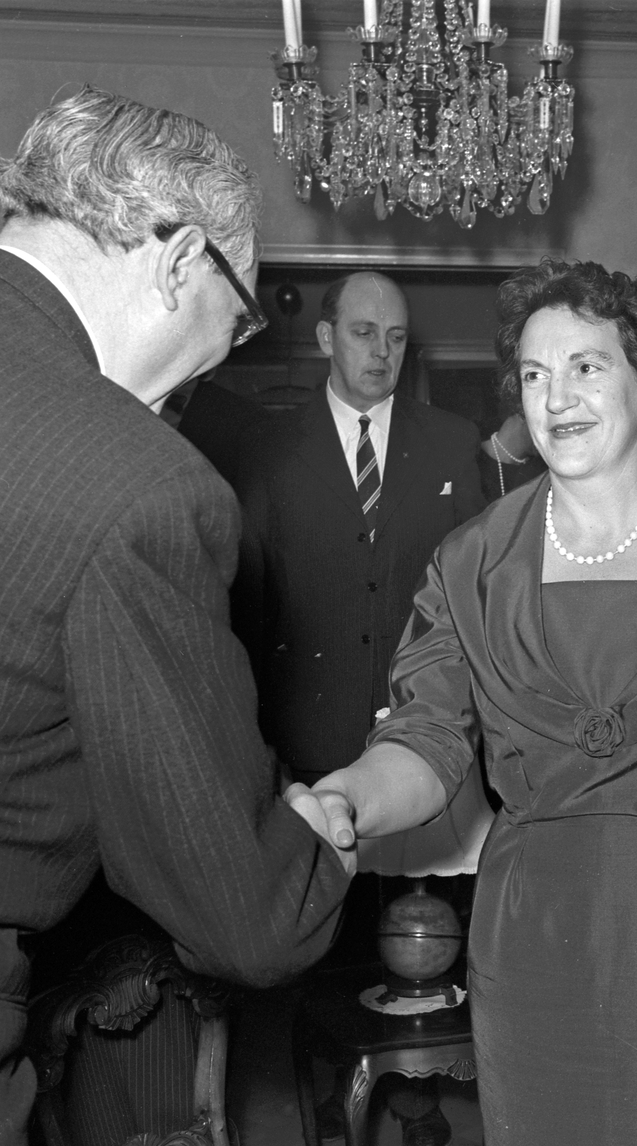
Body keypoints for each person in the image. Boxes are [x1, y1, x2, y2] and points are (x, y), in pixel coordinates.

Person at [287, 259, 637, 1145]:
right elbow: (427, 739)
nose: (557, 398)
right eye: (536, 375)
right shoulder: (472, 563)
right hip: (538, 948)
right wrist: (346, 795)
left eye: (587, 366)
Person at [0, 88, 353, 1144]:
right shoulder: (140, 486)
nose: (223, 360)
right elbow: (244, 919)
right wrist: (311, 847)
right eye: (238, 321)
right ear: (181, 260)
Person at [232, 270, 487, 1146]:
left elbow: (478, 594)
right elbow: (248, 609)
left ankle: (425, 1123)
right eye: (364, 333)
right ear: (325, 338)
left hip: (431, 759)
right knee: (323, 981)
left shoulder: (454, 444)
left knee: (434, 971)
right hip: (312, 753)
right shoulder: (267, 450)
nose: (382, 352)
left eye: (398, 337)